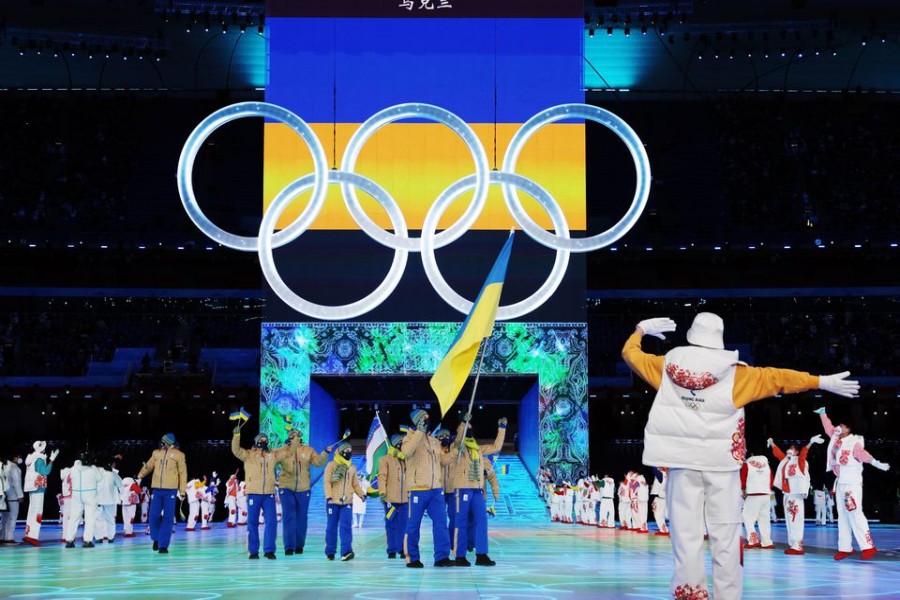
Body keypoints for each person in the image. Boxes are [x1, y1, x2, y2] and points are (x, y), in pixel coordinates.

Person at [623, 312, 859, 600]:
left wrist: (640, 330)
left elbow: (630, 354)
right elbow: (778, 378)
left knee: (686, 537)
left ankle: (690, 594)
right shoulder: (737, 374)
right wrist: (819, 381)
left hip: (682, 463)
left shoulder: (667, 366)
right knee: (727, 537)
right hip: (721, 466)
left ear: (692, 335)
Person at [815, 407, 890, 560]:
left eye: (842, 426)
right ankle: (845, 547)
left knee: (855, 513)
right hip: (841, 482)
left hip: (852, 484)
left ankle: (868, 546)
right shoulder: (836, 438)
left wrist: (877, 463)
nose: (838, 428)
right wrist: (823, 414)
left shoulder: (854, 442)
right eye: (839, 425)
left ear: (849, 429)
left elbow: (863, 455)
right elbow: (828, 428)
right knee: (842, 516)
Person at [400, 408, 454, 568]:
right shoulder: (408, 438)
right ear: (416, 420)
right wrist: (419, 432)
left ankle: (442, 556)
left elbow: (443, 462)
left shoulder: (433, 441)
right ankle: (412, 557)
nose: (427, 419)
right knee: (413, 524)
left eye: (428, 417)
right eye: (423, 417)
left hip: (436, 490)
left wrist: (454, 449)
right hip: (417, 489)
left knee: (441, 522)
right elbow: (406, 452)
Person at [449, 415, 506, 566]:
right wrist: (463, 423)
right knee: (461, 522)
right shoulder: (457, 447)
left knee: (482, 522)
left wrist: (502, 429)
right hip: (463, 488)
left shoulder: (478, 449)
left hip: (478, 490)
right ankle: (460, 555)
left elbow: (496, 447)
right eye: (467, 428)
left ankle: (481, 554)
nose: (469, 430)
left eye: (470, 427)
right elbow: (460, 437)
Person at [275, 427, 328, 555]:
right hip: (286, 487)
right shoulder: (283, 450)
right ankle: (289, 546)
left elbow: (318, 462)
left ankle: (299, 545)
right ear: (289, 437)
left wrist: (325, 453)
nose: (294, 437)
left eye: (296, 435)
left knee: (302, 518)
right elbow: (274, 461)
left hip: (303, 488)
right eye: (292, 435)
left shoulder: (308, 450)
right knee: (289, 517)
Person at [769, 435, 823, 555]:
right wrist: (772, 443)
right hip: (788, 494)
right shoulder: (786, 461)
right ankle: (793, 544)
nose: (789, 450)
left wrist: (810, 443)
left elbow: (804, 454)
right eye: (789, 448)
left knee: (795, 519)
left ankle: (798, 545)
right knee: (790, 521)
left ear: (796, 452)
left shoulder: (800, 461)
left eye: (792, 449)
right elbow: (778, 453)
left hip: (796, 494)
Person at [231, 426, 279, 560]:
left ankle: (269, 550)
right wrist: (236, 436)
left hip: (268, 493)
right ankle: (253, 551)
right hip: (253, 493)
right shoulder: (248, 455)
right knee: (252, 522)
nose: (264, 441)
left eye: (266, 440)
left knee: (271, 522)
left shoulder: (272, 455)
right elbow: (235, 450)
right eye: (262, 439)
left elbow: (286, 453)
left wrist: (295, 440)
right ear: (257, 441)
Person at [137, 433, 188, 554]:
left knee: (168, 518)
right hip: (157, 490)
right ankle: (156, 538)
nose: (161, 442)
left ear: (169, 442)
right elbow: (148, 466)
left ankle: (163, 545)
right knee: (153, 515)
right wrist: (140, 475)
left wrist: (182, 491)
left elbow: (183, 473)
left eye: (163, 441)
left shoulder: (179, 455)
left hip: (170, 490)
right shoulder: (156, 453)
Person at [323, 441, 367, 561]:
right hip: (333, 501)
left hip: (347, 501)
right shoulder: (332, 465)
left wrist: (361, 495)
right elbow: (327, 482)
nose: (349, 453)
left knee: (346, 527)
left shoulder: (352, 467)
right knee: (331, 527)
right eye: (346, 451)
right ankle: (330, 551)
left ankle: (346, 552)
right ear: (341, 451)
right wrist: (329, 497)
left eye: (350, 451)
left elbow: (355, 484)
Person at [23, 440, 59, 546]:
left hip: (33, 487)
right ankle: (33, 536)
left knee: (32, 511)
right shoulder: (38, 459)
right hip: (38, 487)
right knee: (37, 512)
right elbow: (45, 471)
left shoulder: (31, 458)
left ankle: (29, 534)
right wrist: (52, 460)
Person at [378, 433, 409, 559]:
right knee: (391, 524)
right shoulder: (385, 459)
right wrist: (382, 492)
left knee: (404, 524)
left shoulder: (406, 459)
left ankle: (402, 548)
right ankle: (391, 549)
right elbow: (382, 477)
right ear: (396, 443)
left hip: (405, 498)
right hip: (390, 498)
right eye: (401, 442)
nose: (403, 445)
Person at [63, 452, 102, 548]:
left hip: (77, 494)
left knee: (74, 518)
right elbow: (99, 478)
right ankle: (87, 541)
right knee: (90, 518)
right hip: (89, 494)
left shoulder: (73, 469)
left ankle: (69, 540)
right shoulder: (92, 468)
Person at [741, 453, 774, 550]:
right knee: (764, 520)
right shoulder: (766, 464)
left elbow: (743, 479)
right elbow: (771, 480)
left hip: (753, 494)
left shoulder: (747, 464)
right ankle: (767, 542)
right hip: (766, 494)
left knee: (747, 516)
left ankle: (753, 539)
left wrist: (743, 491)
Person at [96, 456, 123, 543]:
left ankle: (98, 537)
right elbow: (121, 486)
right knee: (110, 519)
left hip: (98, 500)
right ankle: (111, 537)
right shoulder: (113, 474)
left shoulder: (97, 473)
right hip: (110, 501)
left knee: (98, 519)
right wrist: (122, 498)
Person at [1, 452, 24, 544]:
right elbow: (17, 483)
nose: (19, 458)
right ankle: (9, 538)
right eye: (19, 456)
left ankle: (2, 537)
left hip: (3, 496)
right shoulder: (14, 467)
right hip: (13, 496)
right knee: (13, 517)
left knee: (4, 518)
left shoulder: (4, 466)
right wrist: (20, 496)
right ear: (15, 458)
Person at [651, 467, 669, 535]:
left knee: (658, 515)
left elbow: (654, 469)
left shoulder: (662, 475)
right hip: (663, 497)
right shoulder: (669, 475)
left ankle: (663, 530)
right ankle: (664, 529)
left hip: (660, 498)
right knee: (660, 514)